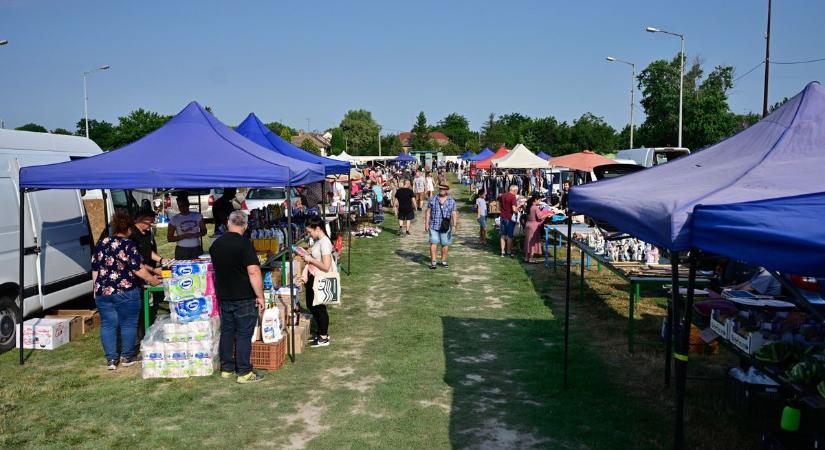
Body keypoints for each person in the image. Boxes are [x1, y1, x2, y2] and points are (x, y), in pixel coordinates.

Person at [92, 213, 161, 370]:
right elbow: (137, 268)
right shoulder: (128, 244)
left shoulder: (102, 243)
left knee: (107, 325)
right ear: (129, 229)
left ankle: (111, 359)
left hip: (103, 291)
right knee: (128, 324)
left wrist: (95, 288)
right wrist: (154, 280)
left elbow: (95, 268)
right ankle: (127, 356)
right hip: (126, 290)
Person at [209, 211, 265, 384]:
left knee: (227, 331)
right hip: (244, 296)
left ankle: (227, 368)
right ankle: (244, 372)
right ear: (245, 226)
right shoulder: (244, 244)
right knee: (243, 334)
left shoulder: (216, 244)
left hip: (224, 295)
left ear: (228, 223)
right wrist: (260, 296)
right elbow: (253, 271)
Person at [301, 216, 336, 348]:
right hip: (314, 275)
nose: (309, 234)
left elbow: (326, 266)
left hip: (319, 277)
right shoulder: (319, 241)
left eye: (310, 232)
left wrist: (310, 259)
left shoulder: (324, 242)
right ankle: (321, 332)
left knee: (319, 307)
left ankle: (324, 336)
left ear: (317, 228)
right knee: (312, 305)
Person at [425, 183, 458, 270]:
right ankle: (433, 262)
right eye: (440, 189)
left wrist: (454, 225)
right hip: (433, 224)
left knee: (445, 243)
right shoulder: (432, 199)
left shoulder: (451, 201)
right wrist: (426, 223)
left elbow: (454, 213)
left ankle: (443, 260)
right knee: (433, 242)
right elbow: (428, 212)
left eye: (443, 189)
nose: (441, 190)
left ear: (447, 190)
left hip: (445, 226)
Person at [167, 194, 207, 260]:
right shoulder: (174, 219)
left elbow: (204, 231)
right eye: (180, 206)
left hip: (196, 248)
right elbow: (169, 238)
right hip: (182, 250)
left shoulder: (197, 216)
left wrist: (197, 234)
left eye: (184, 205)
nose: (182, 208)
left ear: (188, 205)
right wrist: (184, 236)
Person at [523, 193, 552, 263]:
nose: (540, 201)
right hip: (533, 226)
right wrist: (548, 214)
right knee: (532, 242)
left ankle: (526, 258)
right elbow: (540, 217)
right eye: (539, 200)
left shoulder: (529, 206)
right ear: (535, 200)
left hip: (528, 224)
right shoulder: (535, 207)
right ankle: (531, 258)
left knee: (528, 241)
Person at [498, 185, 518, 257]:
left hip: (502, 217)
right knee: (509, 236)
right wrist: (518, 208)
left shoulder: (503, 195)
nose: (517, 192)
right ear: (514, 190)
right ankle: (508, 251)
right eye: (516, 191)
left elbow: (499, 205)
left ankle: (502, 252)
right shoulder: (513, 197)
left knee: (503, 235)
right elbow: (514, 209)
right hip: (509, 218)